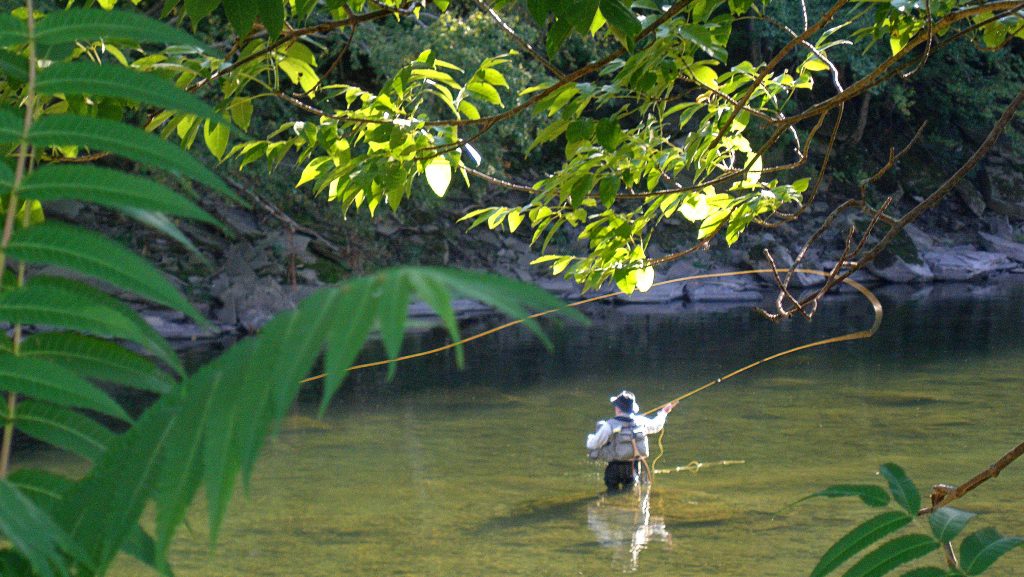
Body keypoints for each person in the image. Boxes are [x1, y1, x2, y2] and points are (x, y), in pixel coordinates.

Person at [586, 391, 676, 491]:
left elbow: (593, 444)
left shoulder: (609, 425)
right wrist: (664, 412)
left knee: (611, 493)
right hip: (634, 467)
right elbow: (656, 426)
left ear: (617, 408)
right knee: (630, 493)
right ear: (632, 408)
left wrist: (590, 437)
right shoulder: (641, 422)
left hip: (614, 468)